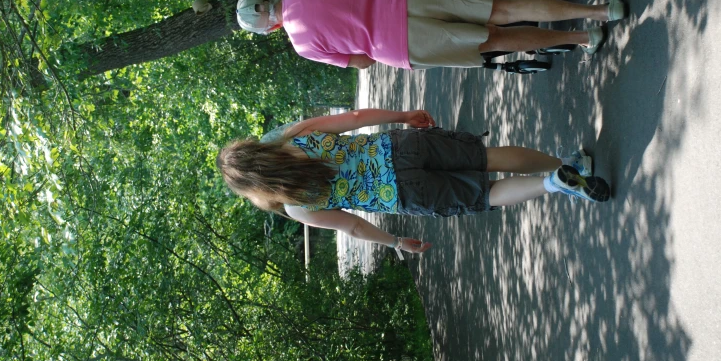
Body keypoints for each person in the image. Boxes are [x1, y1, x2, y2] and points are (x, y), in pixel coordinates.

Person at [216, 109, 610, 255]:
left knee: (485, 195)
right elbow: (354, 120)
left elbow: (352, 225)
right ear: (256, 149)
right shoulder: (295, 137)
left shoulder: (296, 206)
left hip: (403, 193)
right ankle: (567, 164)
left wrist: (396, 242)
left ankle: (554, 184)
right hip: (401, 147)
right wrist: (403, 117)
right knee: (486, 158)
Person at [234, 0, 628, 71]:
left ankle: (582, 38)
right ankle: (597, 10)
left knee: (497, 39)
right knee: (502, 8)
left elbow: (361, 63)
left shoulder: (303, 45)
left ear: (269, 29)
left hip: (399, 45)